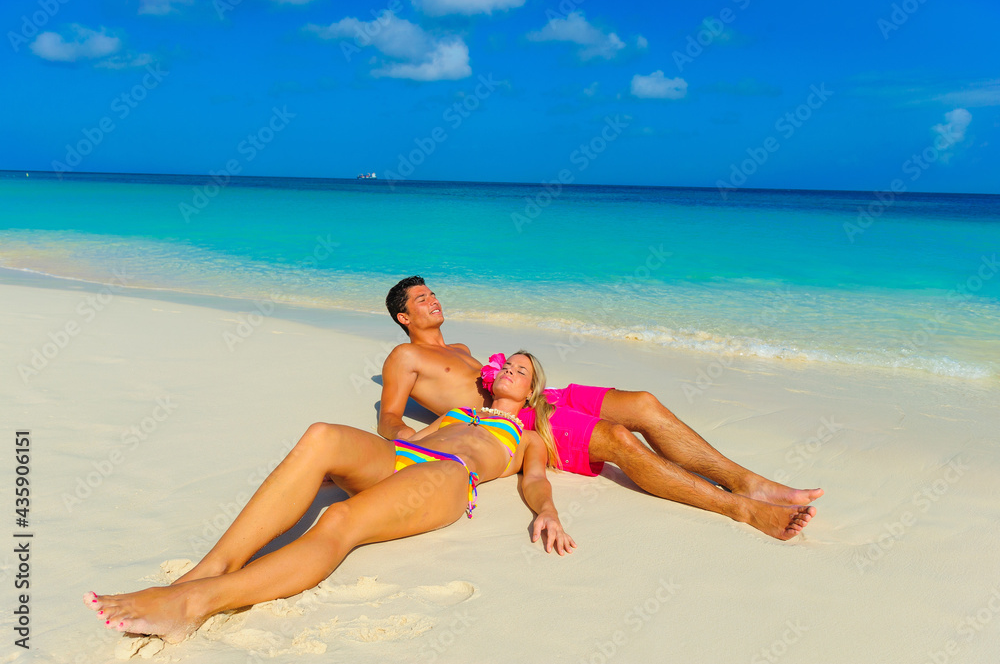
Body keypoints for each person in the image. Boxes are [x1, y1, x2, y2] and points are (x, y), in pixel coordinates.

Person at [85, 352, 574, 644]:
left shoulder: (528, 437)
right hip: (401, 455)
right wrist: (341, 466)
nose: (509, 370)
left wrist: (547, 511)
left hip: (444, 480)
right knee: (321, 436)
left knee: (340, 519)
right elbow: (401, 433)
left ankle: (192, 603)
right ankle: (208, 569)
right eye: (506, 364)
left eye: (521, 370)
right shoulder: (461, 412)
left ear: (533, 391)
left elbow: (534, 481)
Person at [379, 276, 820, 541]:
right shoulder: (405, 358)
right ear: (403, 317)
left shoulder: (461, 346)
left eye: (432, 293)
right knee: (617, 439)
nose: (433, 299)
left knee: (643, 403)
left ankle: (748, 483)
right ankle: (739, 508)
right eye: (421, 298)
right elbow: (389, 419)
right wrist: (420, 440)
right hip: (512, 419)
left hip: (537, 394)